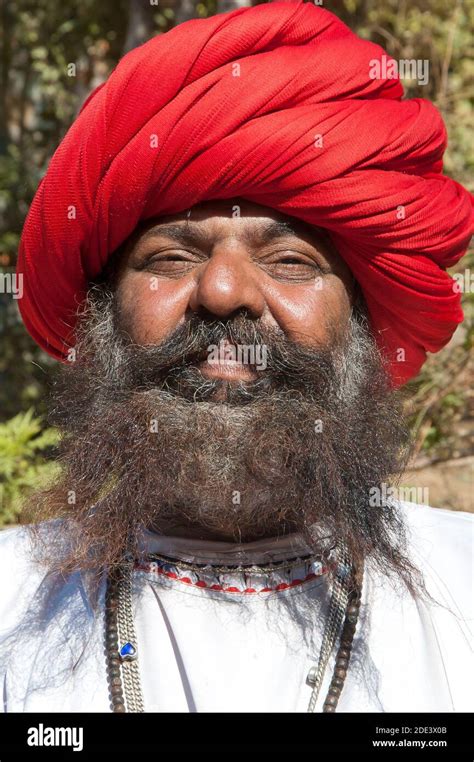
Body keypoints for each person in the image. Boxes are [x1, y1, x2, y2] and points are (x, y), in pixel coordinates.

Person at [2, 1, 472, 713]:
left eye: (289, 261)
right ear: (99, 316)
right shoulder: (11, 605)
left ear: (363, 321)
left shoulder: (462, 590)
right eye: (170, 256)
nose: (223, 292)